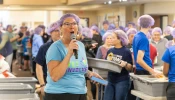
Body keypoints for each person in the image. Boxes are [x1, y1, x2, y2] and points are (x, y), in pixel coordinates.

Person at [44, 13, 102, 100]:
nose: (72, 27)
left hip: (80, 93)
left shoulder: (80, 46)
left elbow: (78, 67)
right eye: (67, 24)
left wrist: (90, 74)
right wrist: (69, 54)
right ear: (60, 28)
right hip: (60, 94)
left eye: (74, 24)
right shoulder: (55, 48)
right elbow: (55, 77)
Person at [104, 30, 133, 100]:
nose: (111, 39)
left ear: (120, 39)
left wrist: (125, 64)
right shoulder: (110, 51)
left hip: (122, 80)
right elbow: (106, 63)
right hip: (110, 80)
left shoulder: (126, 51)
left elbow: (130, 68)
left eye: (113, 38)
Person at [35, 21, 60, 96]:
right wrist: (42, 85)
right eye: (56, 31)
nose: (59, 33)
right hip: (50, 83)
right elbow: (39, 66)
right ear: (51, 32)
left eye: (60, 30)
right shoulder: (45, 48)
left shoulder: (68, 46)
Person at [96, 31, 113, 100]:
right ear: (104, 40)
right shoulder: (101, 48)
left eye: (111, 38)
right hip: (102, 72)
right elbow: (97, 60)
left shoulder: (114, 48)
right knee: (101, 87)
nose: (109, 40)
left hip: (112, 72)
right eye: (107, 38)